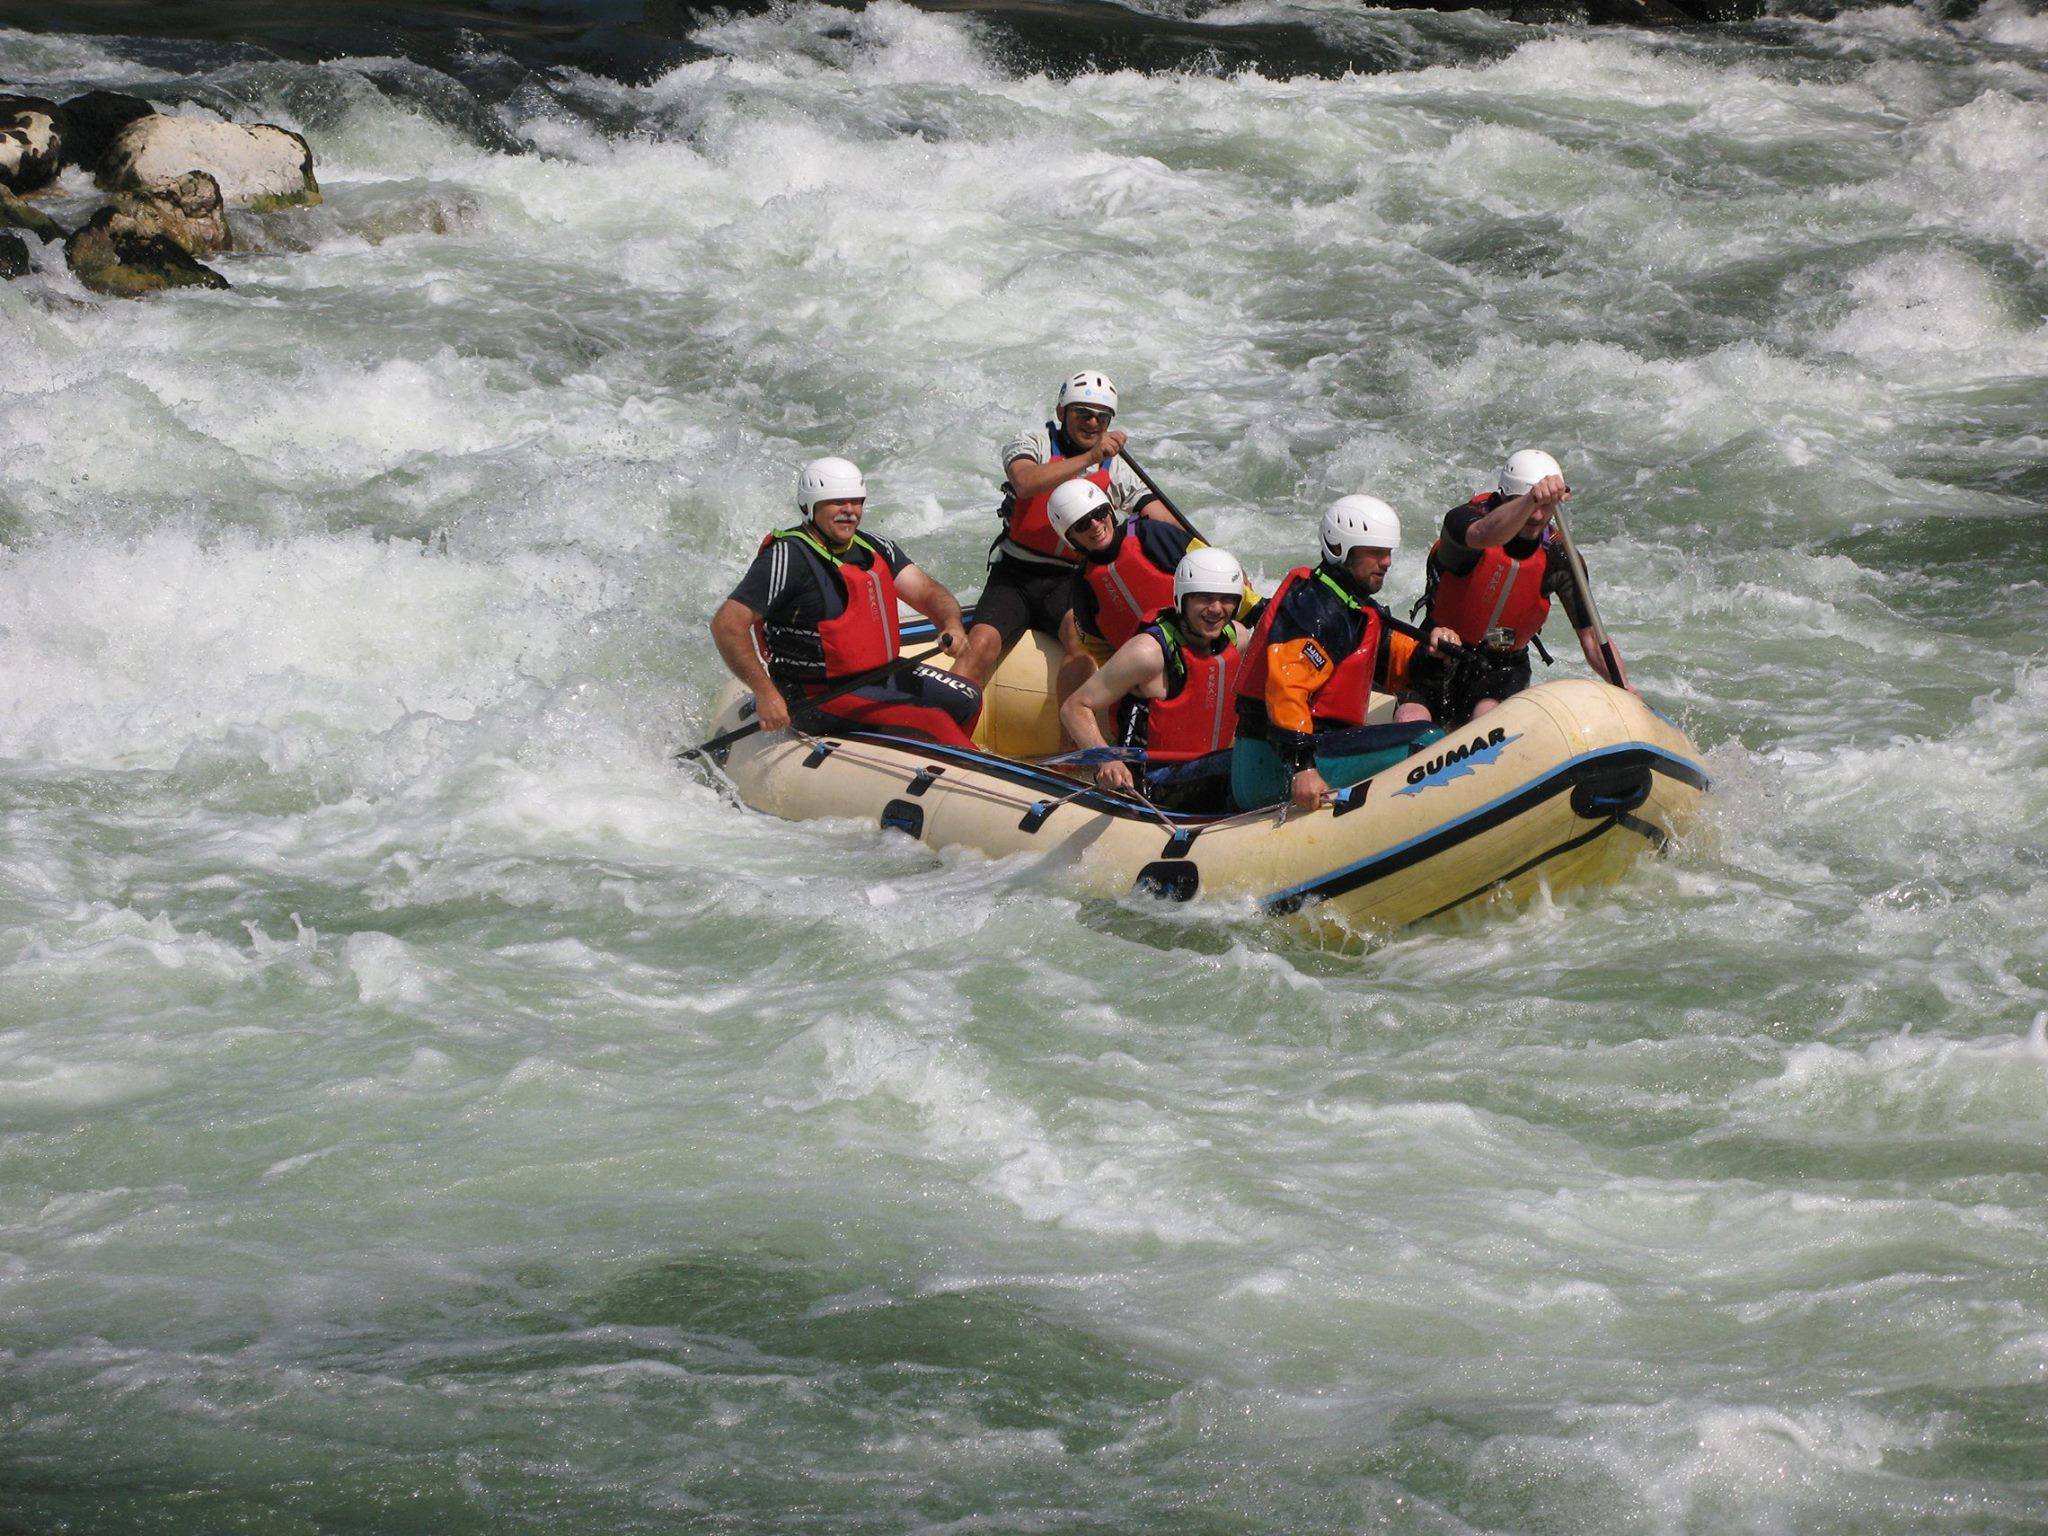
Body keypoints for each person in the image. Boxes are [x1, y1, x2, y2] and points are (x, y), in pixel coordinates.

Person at [709, 456, 982, 749]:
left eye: (856, 502)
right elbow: (727, 625)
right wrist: (765, 693)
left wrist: (950, 623)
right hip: (815, 695)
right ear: (810, 507)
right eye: (837, 502)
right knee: (933, 722)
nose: (850, 511)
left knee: (966, 697)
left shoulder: (876, 548)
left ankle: (931, 759)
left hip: (880, 676)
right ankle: (970, 774)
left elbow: (929, 592)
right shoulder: (788, 557)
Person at [955, 369, 1177, 689]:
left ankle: (1072, 740)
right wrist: (1090, 456)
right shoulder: (1033, 442)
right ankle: (942, 725)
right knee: (981, 644)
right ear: (1062, 412)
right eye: (1083, 414)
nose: (1092, 424)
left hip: (1071, 580)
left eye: (1102, 418)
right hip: (1015, 574)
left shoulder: (1117, 468)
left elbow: (1162, 520)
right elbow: (1025, 481)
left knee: (1078, 644)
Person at [1231, 495, 1454, 813]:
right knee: (1425, 739)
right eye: (1376, 552)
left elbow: (1398, 668)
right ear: (1340, 549)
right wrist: (1303, 766)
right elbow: (1286, 688)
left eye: (1388, 552)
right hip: (1275, 768)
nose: (1387, 562)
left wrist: (1433, 654)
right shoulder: (1315, 609)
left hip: (1319, 748)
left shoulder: (1353, 607)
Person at [1396, 449, 1628, 728]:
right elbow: (1484, 535)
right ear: (1504, 496)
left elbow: (1591, 637)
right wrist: (1532, 499)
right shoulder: (1462, 522)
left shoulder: (1559, 556)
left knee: (1486, 718)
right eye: (1529, 503)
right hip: (1438, 651)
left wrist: (1624, 689)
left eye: (1546, 506)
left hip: (1501, 667)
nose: (1537, 515)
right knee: (1412, 719)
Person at [1057, 547, 1250, 813]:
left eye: (1226, 599)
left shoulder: (1237, 638)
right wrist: (1106, 759)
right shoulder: (1148, 653)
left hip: (1207, 769)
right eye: (1204, 598)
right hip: (1148, 784)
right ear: (1182, 598)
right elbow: (1074, 708)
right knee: (1241, 766)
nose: (1216, 609)